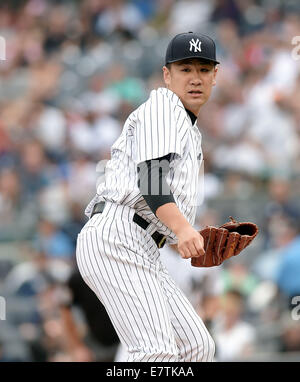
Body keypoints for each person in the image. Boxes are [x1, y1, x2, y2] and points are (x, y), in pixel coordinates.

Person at [76, 32, 219, 362]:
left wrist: (194, 238)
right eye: (185, 69)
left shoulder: (187, 128)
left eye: (203, 69)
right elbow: (151, 180)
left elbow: (164, 222)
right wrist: (185, 231)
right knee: (155, 354)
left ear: (215, 76)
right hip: (118, 236)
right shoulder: (164, 108)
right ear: (167, 75)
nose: (195, 78)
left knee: (197, 348)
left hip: (141, 243)